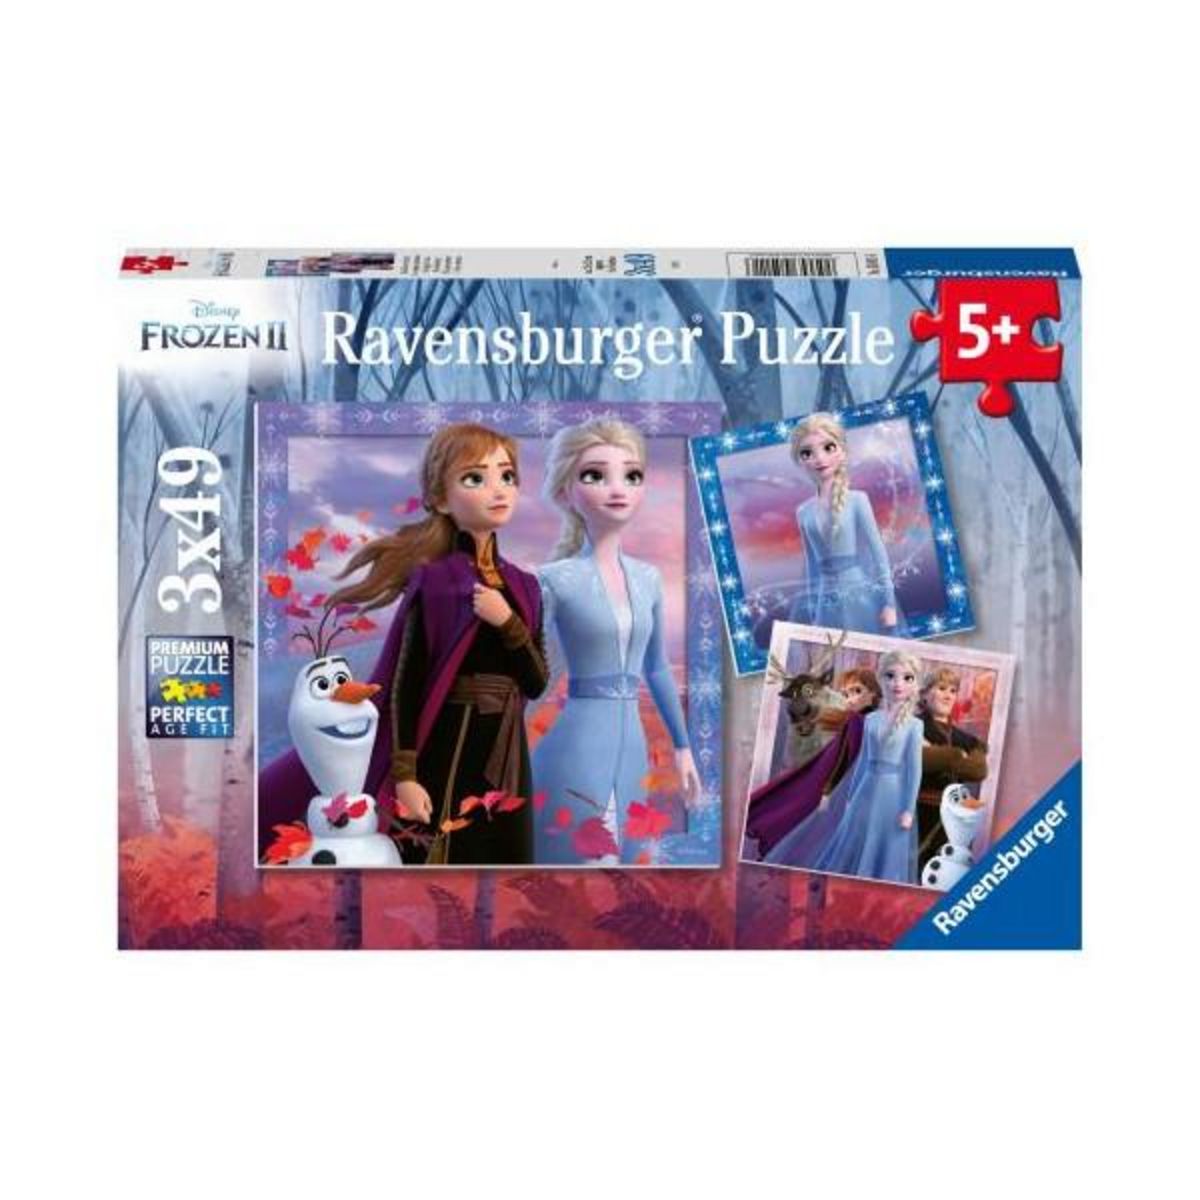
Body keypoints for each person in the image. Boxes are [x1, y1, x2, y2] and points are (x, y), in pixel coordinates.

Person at [257, 423, 548, 866]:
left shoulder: (526, 587)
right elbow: (406, 684)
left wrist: (507, 621)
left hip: (507, 755)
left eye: (506, 476)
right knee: (440, 864)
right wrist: (407, 778)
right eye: (475, 478)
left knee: (506, 868)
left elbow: (536, 681)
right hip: (447, 747)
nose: (498, 489)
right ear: (441, 499)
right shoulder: (435, 582)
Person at [531, 418, 700, 864]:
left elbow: (656, 668)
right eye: (595, 475)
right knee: (577, 864)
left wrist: (683, 748)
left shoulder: (648, 578)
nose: (617, 488)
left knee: (622, 865)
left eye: (631, 475)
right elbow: (531, 671)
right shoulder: (554, 579)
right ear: (565, 492)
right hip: (574, 748)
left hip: (633, 751)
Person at [768, 650, 923, 885]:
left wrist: (908, 809)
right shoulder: (871, 720)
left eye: (907, 678)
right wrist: (851, 797)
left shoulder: (915, 725)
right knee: (852, 842)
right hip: (866, 789)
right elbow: (863, 760)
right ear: (881, 679)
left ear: (914, 684)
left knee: (885, 848)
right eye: (891, 676)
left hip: (893, 794)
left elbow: (914, 769)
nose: (898, 683)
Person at [786, 412, 901, 635]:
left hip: (858, 594)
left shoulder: (858, 500)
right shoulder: (803, 512)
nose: (819, 458)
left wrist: (889, 603)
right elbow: (812, 567)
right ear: (800, 460)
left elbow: (878, 553)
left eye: (828, 448)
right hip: (824, 602)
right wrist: (812, 610)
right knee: (831, 653)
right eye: (807, 453)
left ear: (842, 452)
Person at [917, 666, 989, 872]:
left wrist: (941, 755)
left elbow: (978, 771)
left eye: (953, 691)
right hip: (917, 812)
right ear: (925, 693)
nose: (948, 696)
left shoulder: (967, 739)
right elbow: (921, 761)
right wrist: (958, 756)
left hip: (952, 820)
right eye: (941, 688)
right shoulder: (912, 726)